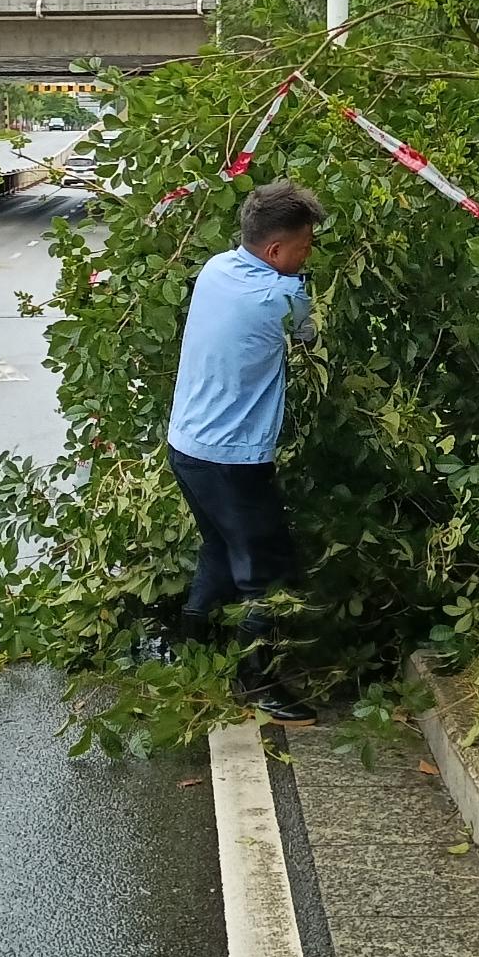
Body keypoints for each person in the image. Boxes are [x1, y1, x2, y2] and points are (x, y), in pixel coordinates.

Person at [166, 177, 325, 721]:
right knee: (269, 573)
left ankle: (189, 648)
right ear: (276, 250)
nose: (309, 256)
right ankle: (258, 682)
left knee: (218, 548)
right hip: (232, 459)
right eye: (305, 247)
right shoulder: (281, 296)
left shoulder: (216, 268)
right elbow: (309, 338)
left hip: (186, 445)